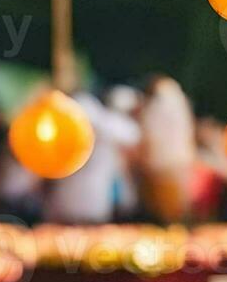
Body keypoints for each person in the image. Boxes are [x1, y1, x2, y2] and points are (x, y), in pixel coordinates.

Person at [43, 90, 141, 224]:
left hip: (92, 203)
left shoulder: (107, 128)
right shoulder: (61, 133)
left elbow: (131, 135)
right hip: (69, 204)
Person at [138, 76, 196, 224]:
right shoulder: (179, 103)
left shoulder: (159, 105)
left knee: (166, 210)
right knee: (177, 207)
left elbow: (151, 135)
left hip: (162, 163)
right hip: (179, 161)